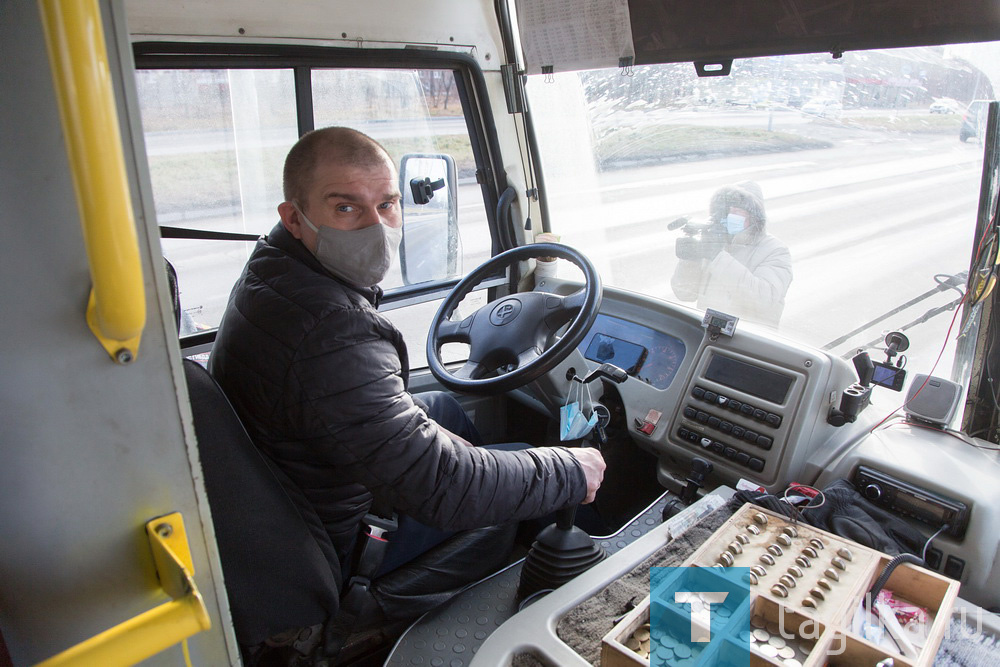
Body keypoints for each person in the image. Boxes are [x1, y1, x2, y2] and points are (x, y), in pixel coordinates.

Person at [209, 127, 605, 587]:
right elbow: (446, 487)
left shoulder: (276, 269)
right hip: (336, 542)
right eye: (345, 207)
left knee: (445, 407)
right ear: (294, 217)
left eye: (387, 204)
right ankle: (579, 588)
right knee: (532, 469)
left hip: (299, 485)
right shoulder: (329, 332)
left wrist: (445, 456)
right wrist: (570, 469)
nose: (375, 226)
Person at [670, 181, 792, 327]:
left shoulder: (775, 250)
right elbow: (684, 293)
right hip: (709, 335)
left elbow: (764, 301)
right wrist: (689, 260)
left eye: (738, 211)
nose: (731, 215)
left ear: (754, 215)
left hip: (750, 341)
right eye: (728, 210)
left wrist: (717, 257)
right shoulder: (716, 243)